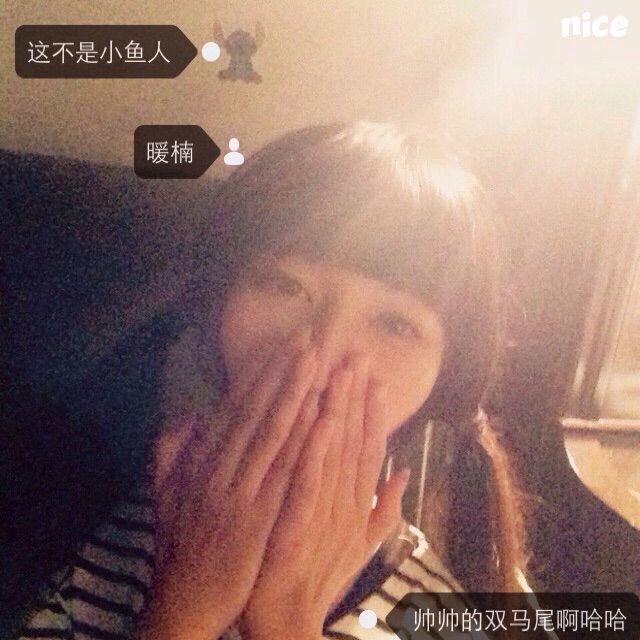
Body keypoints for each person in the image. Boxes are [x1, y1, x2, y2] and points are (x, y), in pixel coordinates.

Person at [15, 121, 528, 640]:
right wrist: (183, 609)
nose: (322, 350)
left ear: (445, 375)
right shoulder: (73, 538)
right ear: (216, 304)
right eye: (284, 285)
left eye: (395, 324)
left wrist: (287, 622)